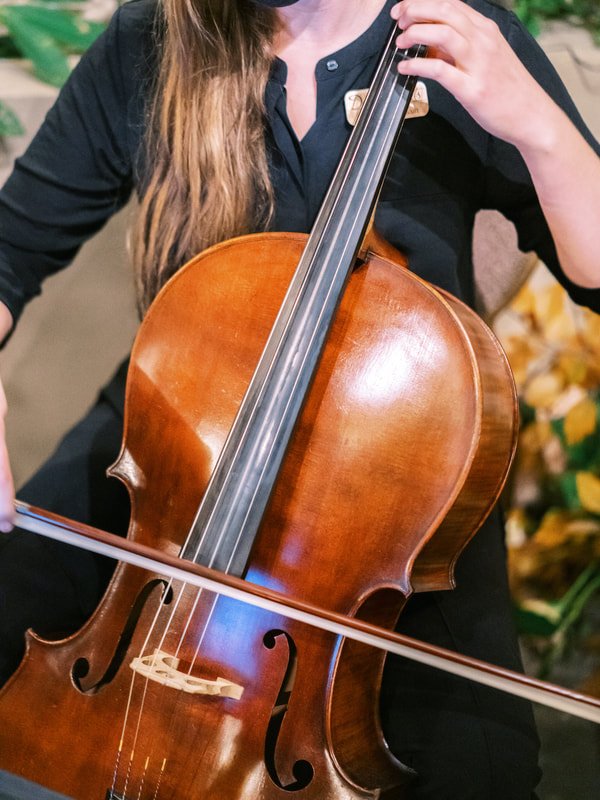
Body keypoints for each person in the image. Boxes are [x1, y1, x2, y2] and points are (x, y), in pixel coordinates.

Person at [0, 0, 599, 797]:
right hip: (175, 463)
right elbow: (12, 245)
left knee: (477, 773)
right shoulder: (156, 36)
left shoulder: (454, 36)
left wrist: (539, 128)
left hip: (389, 502)